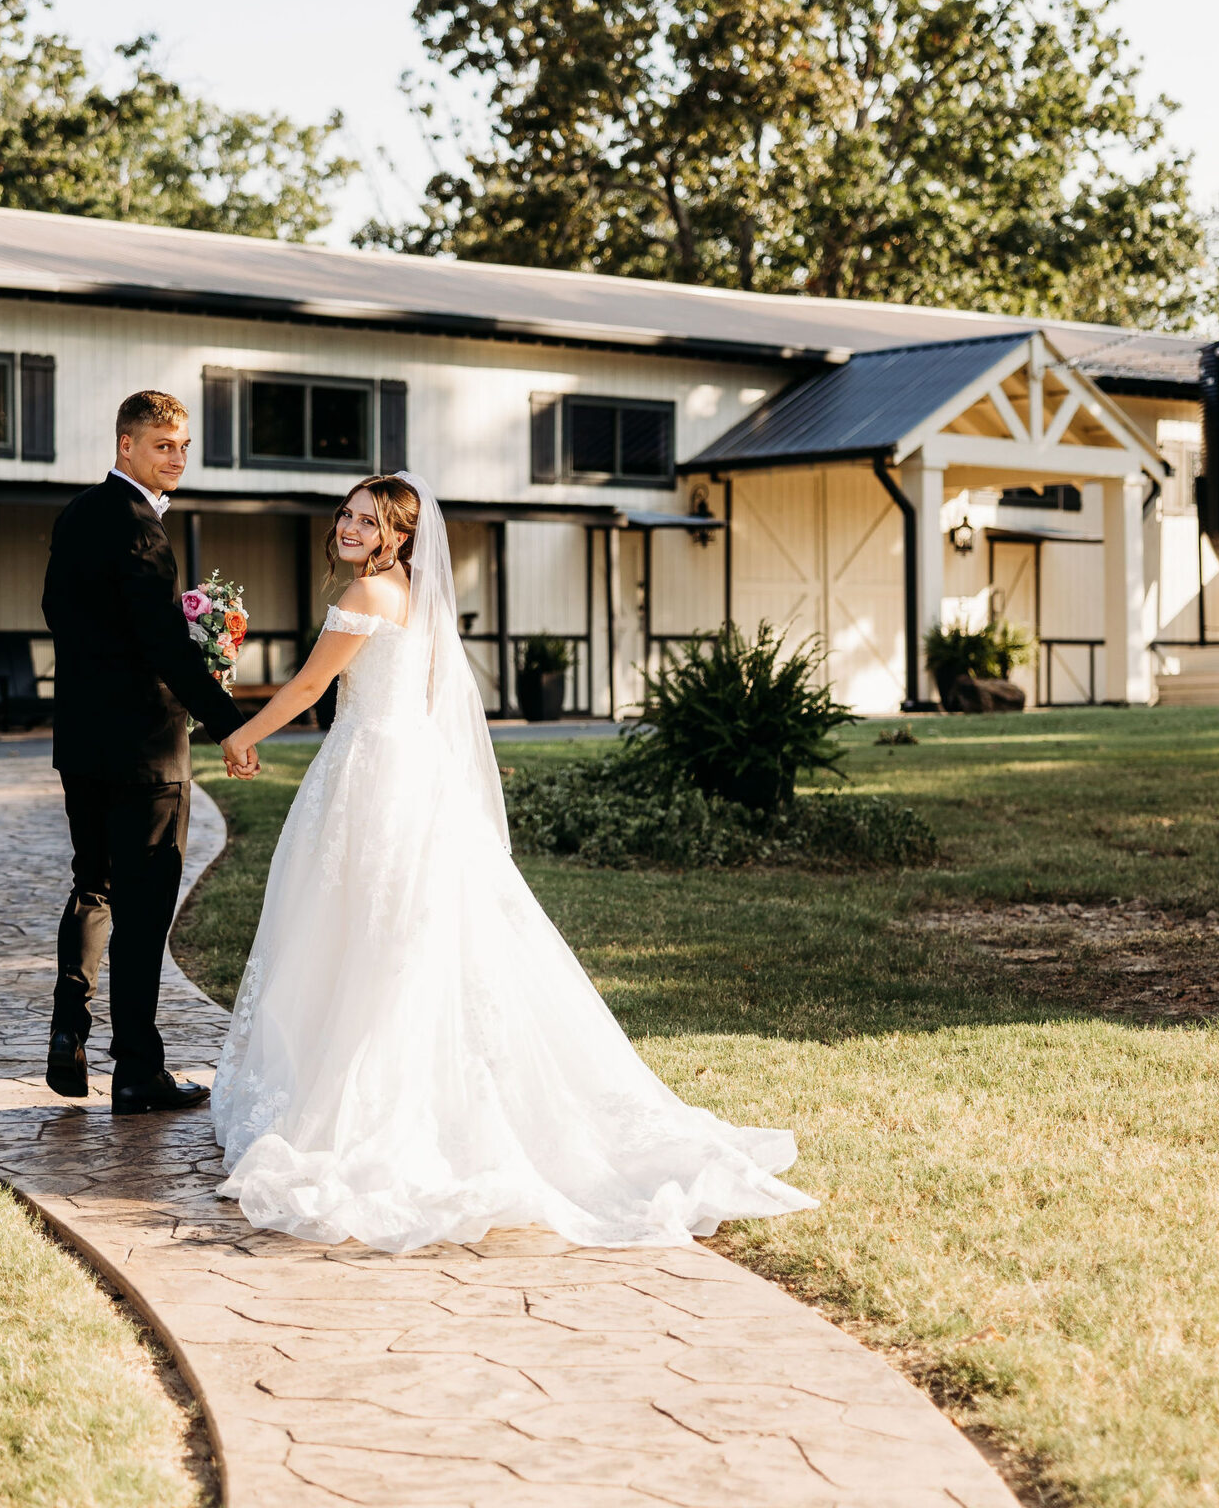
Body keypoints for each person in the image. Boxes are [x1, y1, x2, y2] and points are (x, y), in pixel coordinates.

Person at [208, 471, 815, 1253]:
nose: (351, 528)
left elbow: (311, 684)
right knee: (408, 930)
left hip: (369, 774)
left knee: (363, 928)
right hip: (412, 772)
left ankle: (359, 1095)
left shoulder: (362, 601)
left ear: (399, 536)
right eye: (347, 516)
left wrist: (242, 734)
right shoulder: (413, 599)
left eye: (369, 521)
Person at [40, 389, 249, 1111]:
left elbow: (59, 615)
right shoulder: (140, 530)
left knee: (91, 885)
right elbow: (161, 644)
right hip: (146, 751)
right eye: (164, 445)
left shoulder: (76, 516)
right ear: (125, 445)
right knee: (145, 907)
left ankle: (69, 1027)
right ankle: (136, 1071)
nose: (177, 458)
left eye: (184, 446)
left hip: (81, 741)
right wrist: (229, 721)